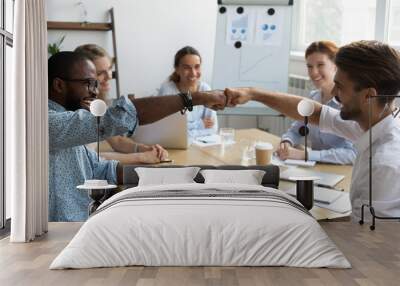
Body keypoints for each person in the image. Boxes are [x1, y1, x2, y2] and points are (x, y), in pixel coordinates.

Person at [225, 40, 400, 222]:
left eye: (340, 86)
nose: (334, 92)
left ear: (368, 96)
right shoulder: (375, 123)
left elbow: (373, 243)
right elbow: (314, 112)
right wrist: (253, 94)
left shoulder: (383, 164)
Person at [48, 51, 226, 221]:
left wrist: (169, 176)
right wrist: (193, 99)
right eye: (88, 83)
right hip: (66, 232)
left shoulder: (67, 122)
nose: (94, 92)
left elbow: (100, 170)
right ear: (59, 85)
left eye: (95, 84)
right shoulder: (48, 122)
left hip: (84, 223)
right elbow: (116, 118)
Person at [74, 44, 168, 164]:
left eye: (109, 69)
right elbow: (87, 158)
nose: (109, 76)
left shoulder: (96, 103)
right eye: (100, 73)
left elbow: (116, 140)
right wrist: (141, 157)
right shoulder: (78, 111)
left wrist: (144, 148)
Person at [278, 41, 356, 165]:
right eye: (310, 66)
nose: (314, 72)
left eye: (320, 65)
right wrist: (286, 143)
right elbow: (296, 130)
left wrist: (306, 154)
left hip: (341, 171)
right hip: (316, 169)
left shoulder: (349, 104)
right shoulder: (313, 98)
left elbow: (352, 154)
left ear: (335, 66)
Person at [158, 46, 218, 141]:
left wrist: (185, 130)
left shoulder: (206, 89)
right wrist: (199, 124)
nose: (193, 73)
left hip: (200, 148)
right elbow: (166, 130)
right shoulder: (167, 90)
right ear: (177, 69)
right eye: (187, 67)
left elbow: (212, 129)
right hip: (174, 146)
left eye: (197, 67)